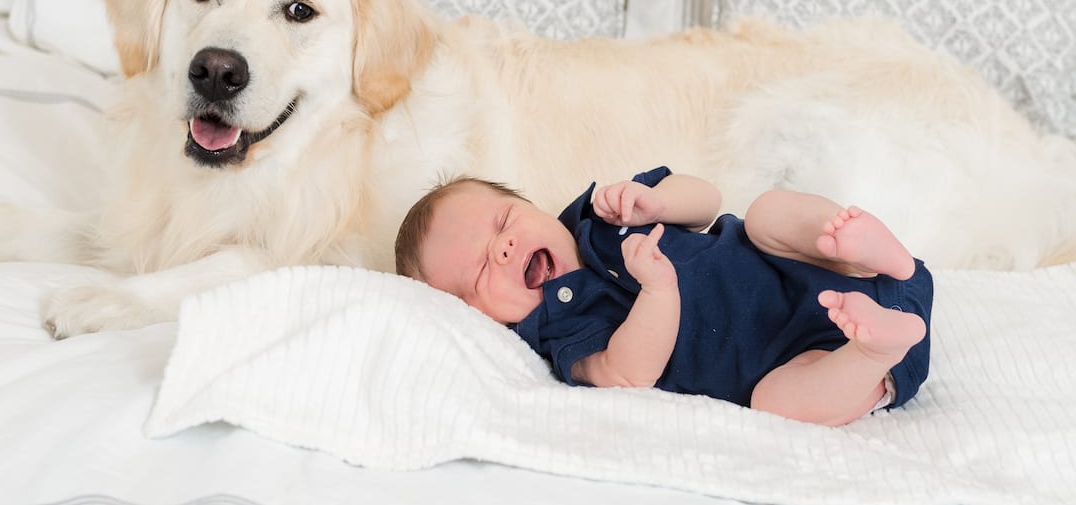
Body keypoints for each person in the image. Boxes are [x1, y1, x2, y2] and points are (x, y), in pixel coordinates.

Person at [395, 166, 932, 426]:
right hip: (807, 355)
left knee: (766, 212)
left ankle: (880, 256)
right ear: (475, 318)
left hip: (804, 263)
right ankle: (876, 351)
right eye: (482, 267)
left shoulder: (600, 215)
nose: (506, 247)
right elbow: (629, 373)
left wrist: (657, 202)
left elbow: (707, 201)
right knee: (780, 403)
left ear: (535, 205)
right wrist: (656, 290)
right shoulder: (559, 331)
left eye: (504, 221)